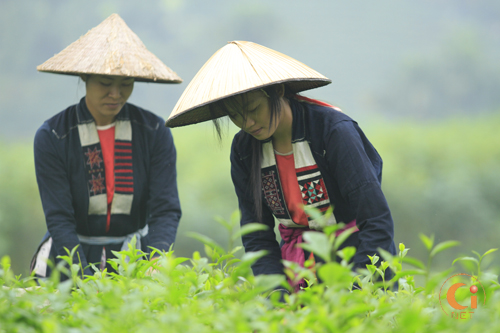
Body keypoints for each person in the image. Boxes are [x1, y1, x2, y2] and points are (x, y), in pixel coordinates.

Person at [166, 41, 396, 292]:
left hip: (357, 257)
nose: (248, 122)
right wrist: (275, 292)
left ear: (279, 91)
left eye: (254, 109)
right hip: (296, 270)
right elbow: (257, 235)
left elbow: (376, 219)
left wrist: (359, 285)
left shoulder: (332, 131)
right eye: (235, 116)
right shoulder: (244, 150)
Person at [30, 14, 182, 279]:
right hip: (68, 257)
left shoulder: (154, 132)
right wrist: (81, 277)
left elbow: (165, 208)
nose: (116, 94)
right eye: (105, 83)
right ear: (84, 77)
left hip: (134, 258)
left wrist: (155, 259)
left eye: (126, 84)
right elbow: (59, 218)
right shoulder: (53, 135)